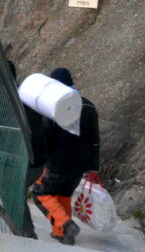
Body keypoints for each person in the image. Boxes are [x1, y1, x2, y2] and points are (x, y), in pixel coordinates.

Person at [32, 67, 100, 246]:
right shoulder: (88, 106)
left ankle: (65, 224)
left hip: (57, 163)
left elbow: (46, 137)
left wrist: (40, 159)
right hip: (81, 164)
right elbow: (95, 139)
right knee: (63, 196)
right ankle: (62, 234)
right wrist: (94, 165)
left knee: (40, 194)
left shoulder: (53, 106)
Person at [6, 59, 48, 239]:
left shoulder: (7, 99)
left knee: (12, 195)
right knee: (15, 195)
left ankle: (26, 235)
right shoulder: (25, 94)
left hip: (26, 159)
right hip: (38, 158)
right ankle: (26, 232)